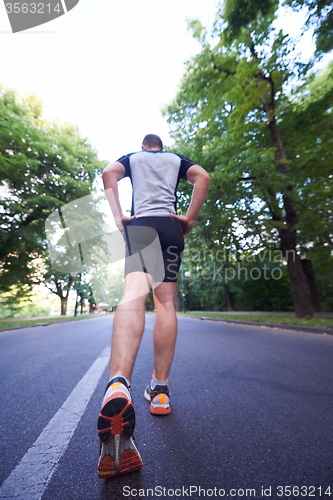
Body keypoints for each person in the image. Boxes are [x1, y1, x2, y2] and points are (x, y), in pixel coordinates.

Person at [97, 134, 210, 478]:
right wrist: (188, 218)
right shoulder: (177, 160)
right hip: (171, 226)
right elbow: (203, 176)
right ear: (160, 147)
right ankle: (159, 391)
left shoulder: (133, 157)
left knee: (134, 293)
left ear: (145, 146)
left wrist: (120, 217)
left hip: (143, 223)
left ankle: (118, 384)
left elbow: (108, 175)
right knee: (165, 303)